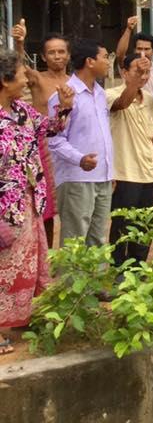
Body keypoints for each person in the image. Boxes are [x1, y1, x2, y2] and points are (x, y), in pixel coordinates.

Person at [0, 49, 73, 354]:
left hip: (28, 201)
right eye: (20, 75)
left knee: (26, 265)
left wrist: (65, 109)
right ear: (4, 81)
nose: (26, 81)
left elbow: (50, 129)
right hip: (5, 205)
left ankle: (19, 318)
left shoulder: (23, 111)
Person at [48, 39, 114, 247]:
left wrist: (109, 171)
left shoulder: (101, 94)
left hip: (102, 177)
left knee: (97, 240)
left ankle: (96, 279)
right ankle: (69, 281)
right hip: (77, 178)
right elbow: (55, 140)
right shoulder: (64, 95)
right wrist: (80, 159)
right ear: (90, 62)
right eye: (105, 57)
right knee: (74, 241)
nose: (108, 62)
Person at [11, 19, 68, 248]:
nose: (57, 56)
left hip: (70, 152)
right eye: (51, 52)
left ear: (68, 55)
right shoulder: (37, 79)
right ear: (43, 57)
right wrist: (20, 43)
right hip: (43, 148)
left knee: (69, 207)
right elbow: (16, 71)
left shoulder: (74, 82)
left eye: (61, 51)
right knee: (44, 209)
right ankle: (45, 254)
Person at [106, 54, 153, 267]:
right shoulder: (110, 94)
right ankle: (118, 265)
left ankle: (138, 264)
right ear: (124, 72)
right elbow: (122, 103)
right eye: (138, 71)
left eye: (146, 72)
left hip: (147, 172)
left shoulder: (149, 99)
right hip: (124, 171)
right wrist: (135, 80)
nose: (143, 76)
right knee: (122, 222)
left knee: (145, 222)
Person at [116, 16, 153, 214]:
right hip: (133, 125)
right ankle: (149, 200)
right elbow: (120, 54)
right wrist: (128, 29)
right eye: (139, 49)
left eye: (147, 48)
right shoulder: (129, 69)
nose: (143, 52)